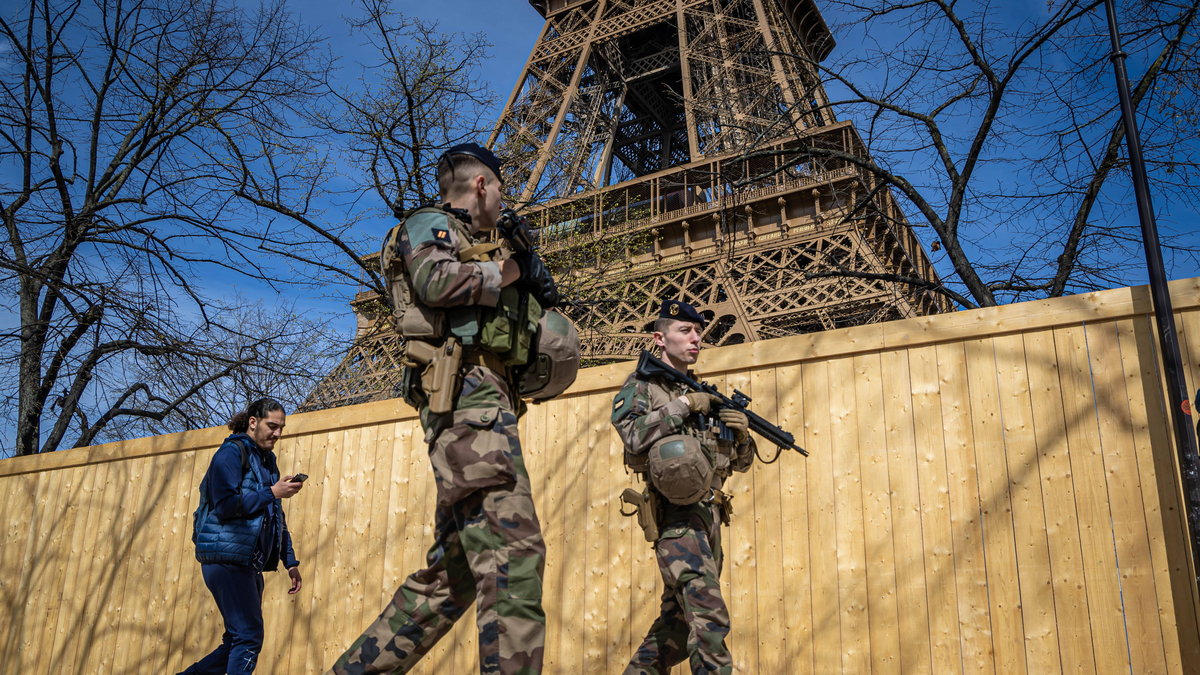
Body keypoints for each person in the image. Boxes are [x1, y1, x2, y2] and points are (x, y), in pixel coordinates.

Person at [328, 142, 559, 675]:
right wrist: (514, 271)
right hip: (467, 406)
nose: (502, 201)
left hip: (480, 408)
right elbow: (437, 282)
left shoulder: (475, 240)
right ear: (482, 185)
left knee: (449, 580)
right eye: (499, 188)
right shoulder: (430, 224)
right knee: (513, 558)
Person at [611, 300, 756, 675]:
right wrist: (684, 404)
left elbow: (736, 464)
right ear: (659, 338)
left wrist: (740, 435)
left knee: (675, 630)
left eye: (699, 332)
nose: (696, 339)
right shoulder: (643, 387)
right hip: (677, 518)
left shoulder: (701, 393)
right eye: (685, 331)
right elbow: (631, 434)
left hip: (710, 517)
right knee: (708, 619)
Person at [182, 397, 304, 675]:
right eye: (272, 426)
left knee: (237, 640)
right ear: (253, 422)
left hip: (248, 561)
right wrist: (271, 492)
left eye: (281, 427)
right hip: (225, 558)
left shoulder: (267, 462)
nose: (278, 433)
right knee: (248, 636)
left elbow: (275, 516)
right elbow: (225, 505)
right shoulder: (230, 454)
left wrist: (291, 561)